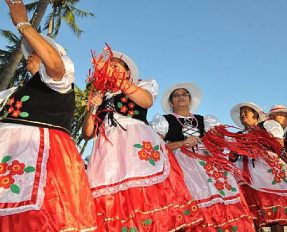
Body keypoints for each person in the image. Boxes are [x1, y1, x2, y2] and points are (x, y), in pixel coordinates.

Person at [0, 0, 97, 231]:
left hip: (42, 159)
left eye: (38, 50)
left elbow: (54, 65)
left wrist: (23, 23)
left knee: (38, 219)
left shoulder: (60, 81)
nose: (31, 55)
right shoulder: (16, 92)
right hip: (10, 159)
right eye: (31, 52)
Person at [83, 52, 202, 231]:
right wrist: (91, 107)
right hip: (107, 148)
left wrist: (116, 80)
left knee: (144, 189)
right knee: (113, 192)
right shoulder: (99, 95)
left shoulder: (140, 86)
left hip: (134, 140)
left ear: (127, 72)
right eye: (109, 66)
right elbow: (87, 133)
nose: (111, 68)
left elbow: (145, 101)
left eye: (116, 66)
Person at [150, 83, 255, 231]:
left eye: (184, 94)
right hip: (181, 163)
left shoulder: (204, 120)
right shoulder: (164, 120)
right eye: (176, 95)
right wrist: (182, 143)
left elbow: (219, 143)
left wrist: (215, 140)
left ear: (189, 99)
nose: (181, 97)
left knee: (221, 193)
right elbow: (157, 146)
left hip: (208, 163)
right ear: (171, 102)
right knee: (192, 197)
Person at [225, 102, 287, 231]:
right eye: (241, 112)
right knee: (253, 216)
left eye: (246, 111)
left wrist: (256, 145)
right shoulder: (238, 135)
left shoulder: (267, 126)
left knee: (276, 216)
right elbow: (232, 157)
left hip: (267, 173)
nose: (242, 114)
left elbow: (278, 144)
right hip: (247, 177)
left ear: (255, 115)